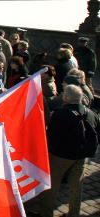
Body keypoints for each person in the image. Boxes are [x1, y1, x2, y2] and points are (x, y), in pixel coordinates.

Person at [39, 85, 100, 217]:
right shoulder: (91, 114)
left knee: (52, 186)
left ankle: (46, 213)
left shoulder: (60, 114)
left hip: (60, 157)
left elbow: (51, 136)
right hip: (81, 157)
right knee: (76, 187)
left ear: (66, 98)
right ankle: (74, 213)